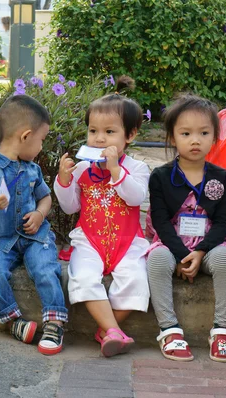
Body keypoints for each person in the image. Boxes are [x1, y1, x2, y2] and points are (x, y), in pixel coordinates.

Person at [53, 77, 150, 357]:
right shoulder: (83, 169)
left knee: (136, 281)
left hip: (127, 241)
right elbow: (70, 207)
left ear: (129, 135)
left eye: (109, 131)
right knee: (82, 277)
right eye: (93, 130)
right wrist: (63, 180)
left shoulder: (138, 167)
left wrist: (116, 171)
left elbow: (134, 198)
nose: (99, 138)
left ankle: (107, 329)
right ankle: (112, 332)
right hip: (90, 239)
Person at [0, 95, 67, 355]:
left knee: (45, 268)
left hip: (34, 237)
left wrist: (40, 216)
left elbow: (45, 198)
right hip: (0, 241)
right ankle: (13, 321)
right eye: (41, 140)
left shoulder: (32, 169)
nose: (41, 147)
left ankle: (54, 321)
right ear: (25, 136)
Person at [147, 94, 226, 362]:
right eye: (186, 133)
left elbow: (224, 222)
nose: (195, 140)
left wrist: (199, 252)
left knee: (225, 260)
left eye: (204, 132)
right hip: (171, 241)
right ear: (173, 137)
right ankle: (169, 330)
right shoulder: (161, 177)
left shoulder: (221, 177)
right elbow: (160, 221)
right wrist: (178, 253)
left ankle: (223, 329)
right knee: (156, 259)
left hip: (209, 244)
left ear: (214, 137)